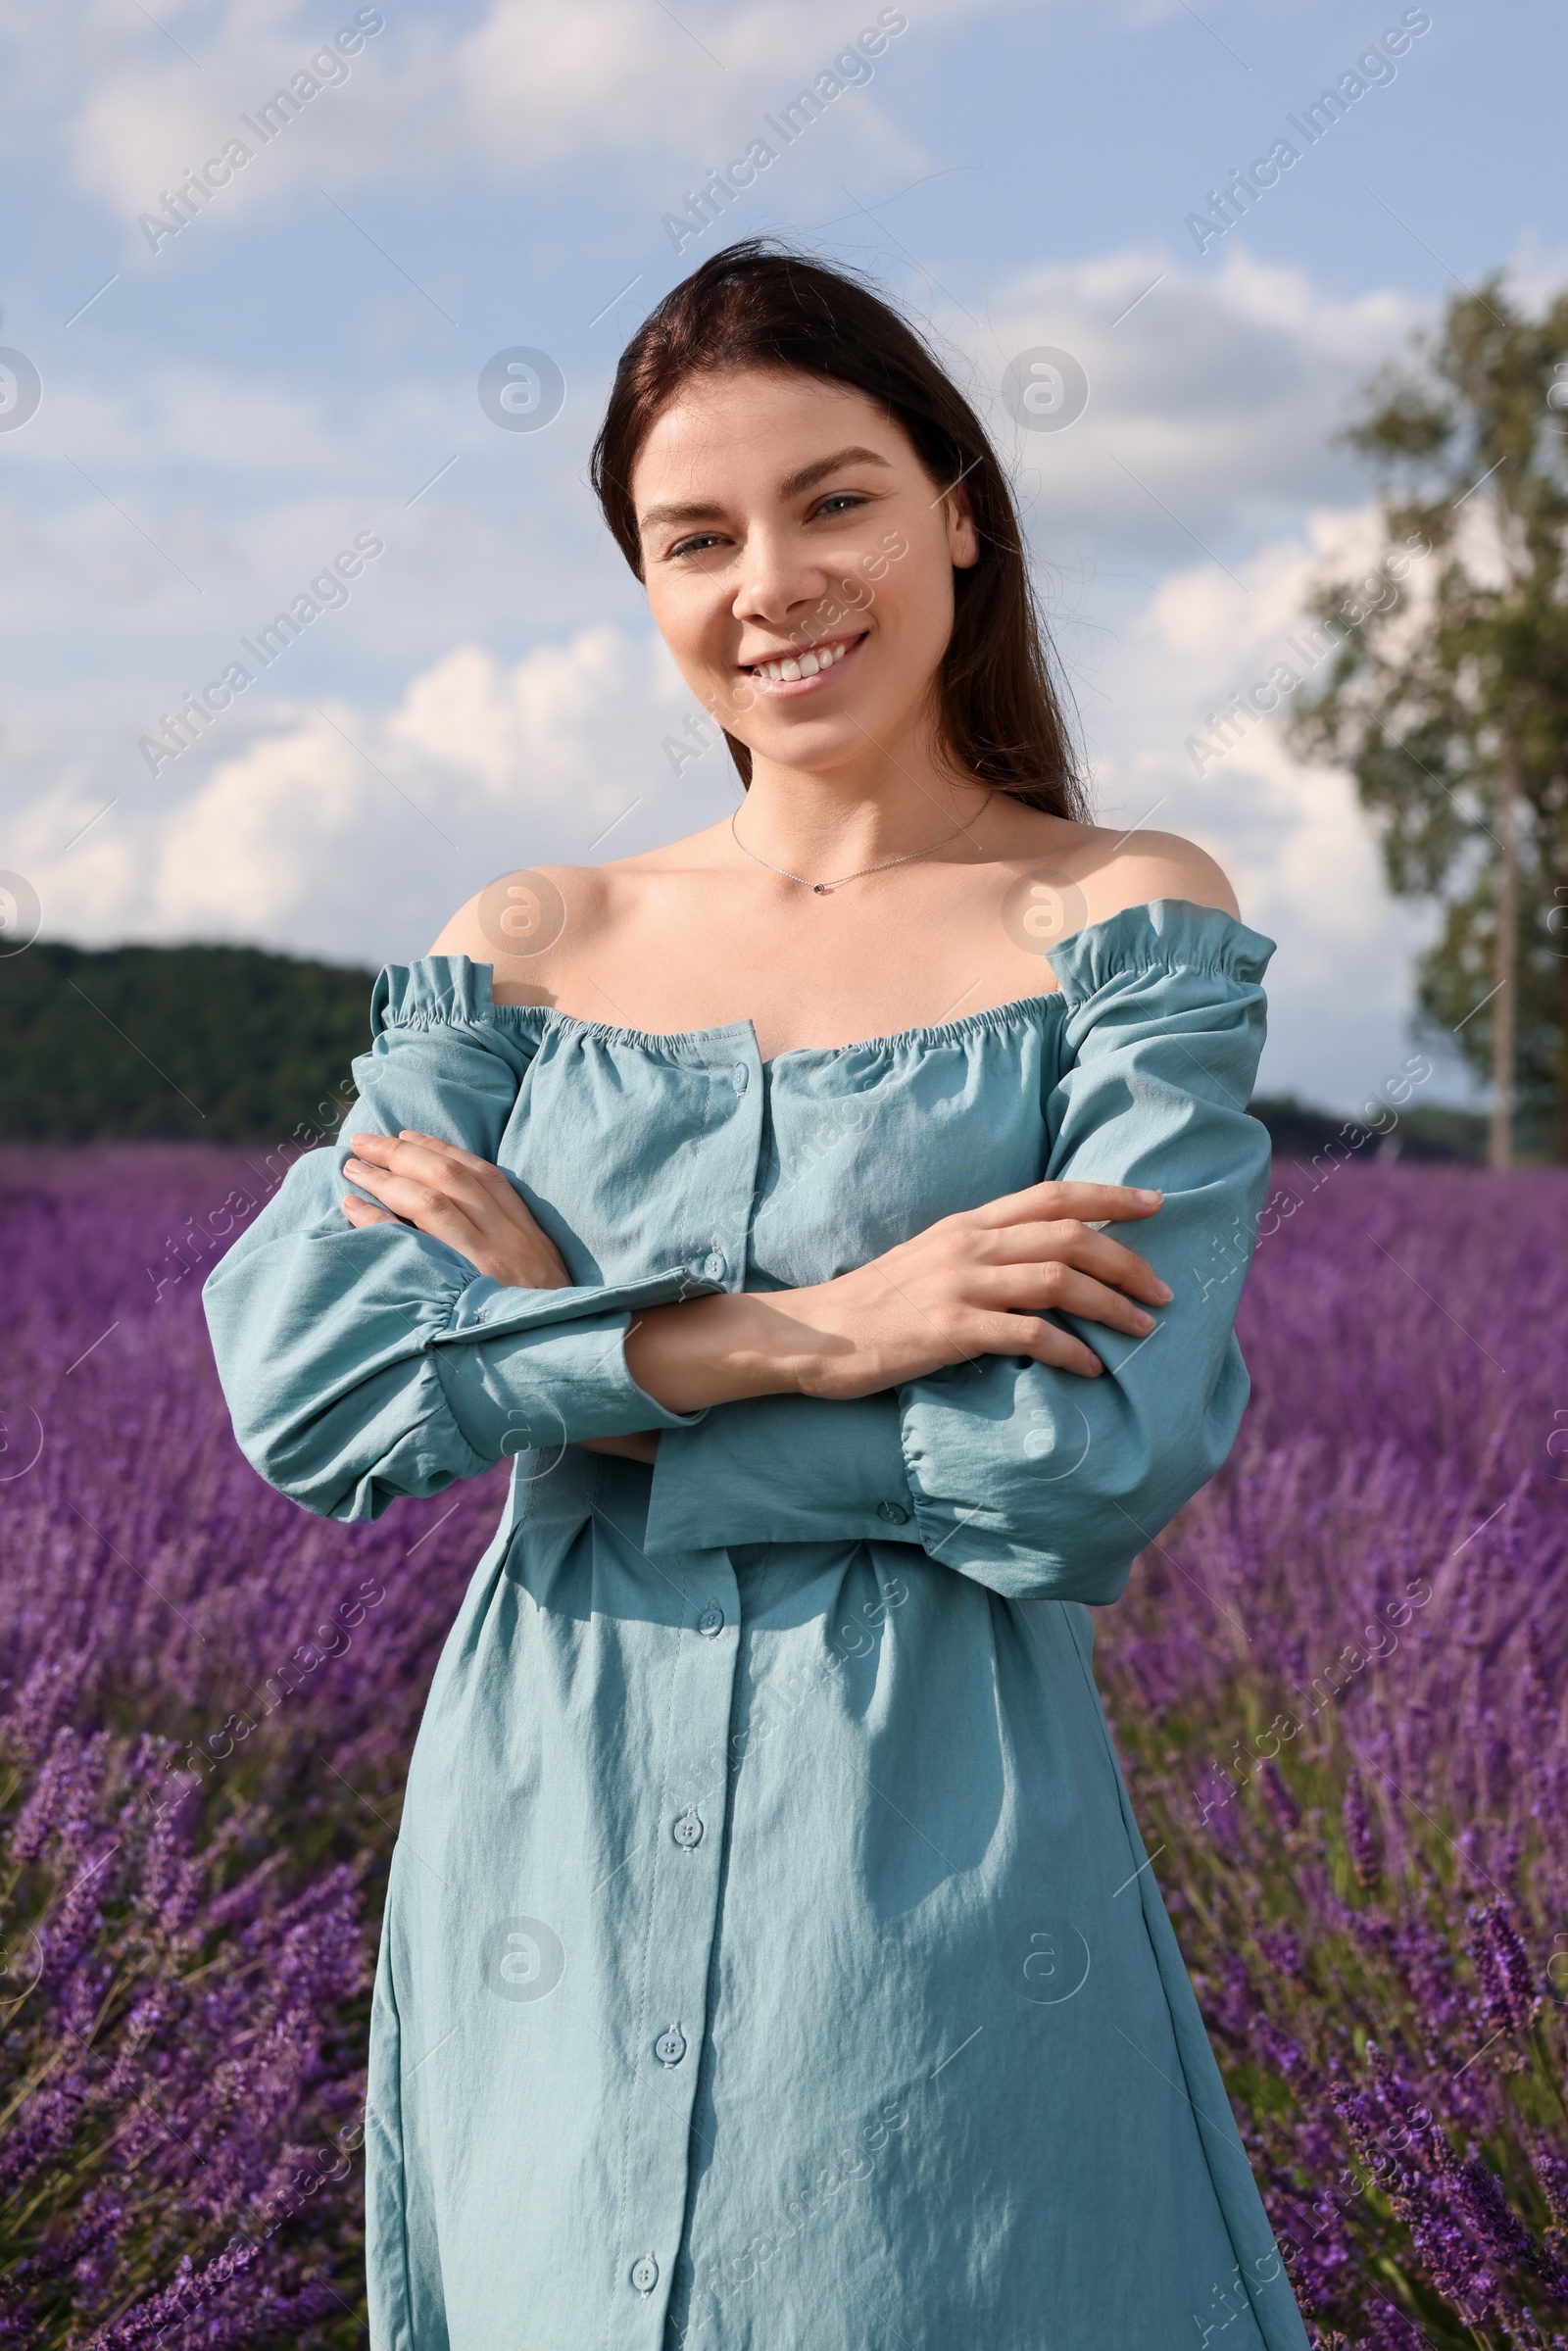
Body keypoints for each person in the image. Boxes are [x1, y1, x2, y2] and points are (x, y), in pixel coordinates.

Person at [204, 240, 1310, 2350]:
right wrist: (819, 1333)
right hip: (554, 1824)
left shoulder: (1117, 916)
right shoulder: (526, 941)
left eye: (834, 500)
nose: (772, 584)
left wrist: (574, 1371)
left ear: (956, 511)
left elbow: (1087, 1462)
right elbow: (314, 1386)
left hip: (919, 1856)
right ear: (640, 582)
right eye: (693, 536)